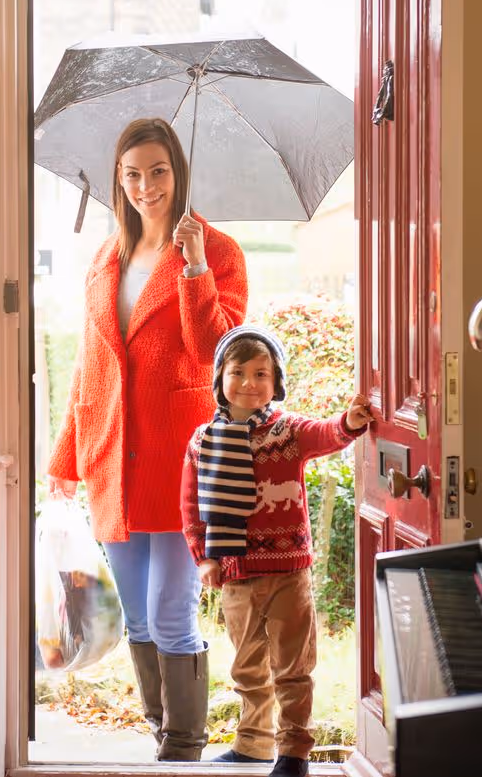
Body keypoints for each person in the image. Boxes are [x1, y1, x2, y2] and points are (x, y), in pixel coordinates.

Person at [46, 117, 248, 762]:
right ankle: (165, 735)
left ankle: (184, 747)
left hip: (181, 459)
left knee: (171, 614)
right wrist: (66, 458)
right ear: (118, 180)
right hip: (113, 458)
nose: (145, 186)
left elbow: (219, 352)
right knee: (137, 618)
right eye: (132, 174)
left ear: (177, 172)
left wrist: (192, 267)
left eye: (158, 171)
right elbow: (91, 365)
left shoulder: (217, 251)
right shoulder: (107, 256)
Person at [180, 325, 373, 777]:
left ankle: (293, 753)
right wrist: (204, 557)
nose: (250, 383)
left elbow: (325, 434)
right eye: (239, 372)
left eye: (262, 373)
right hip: (235, 572)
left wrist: (349, 423)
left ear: (276, 381)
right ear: (220, 379)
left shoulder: (286, 432)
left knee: (292, 666)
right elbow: (191, 505)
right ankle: (252, 744)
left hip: (287, 571)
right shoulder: (203, 440)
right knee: (247, 666)